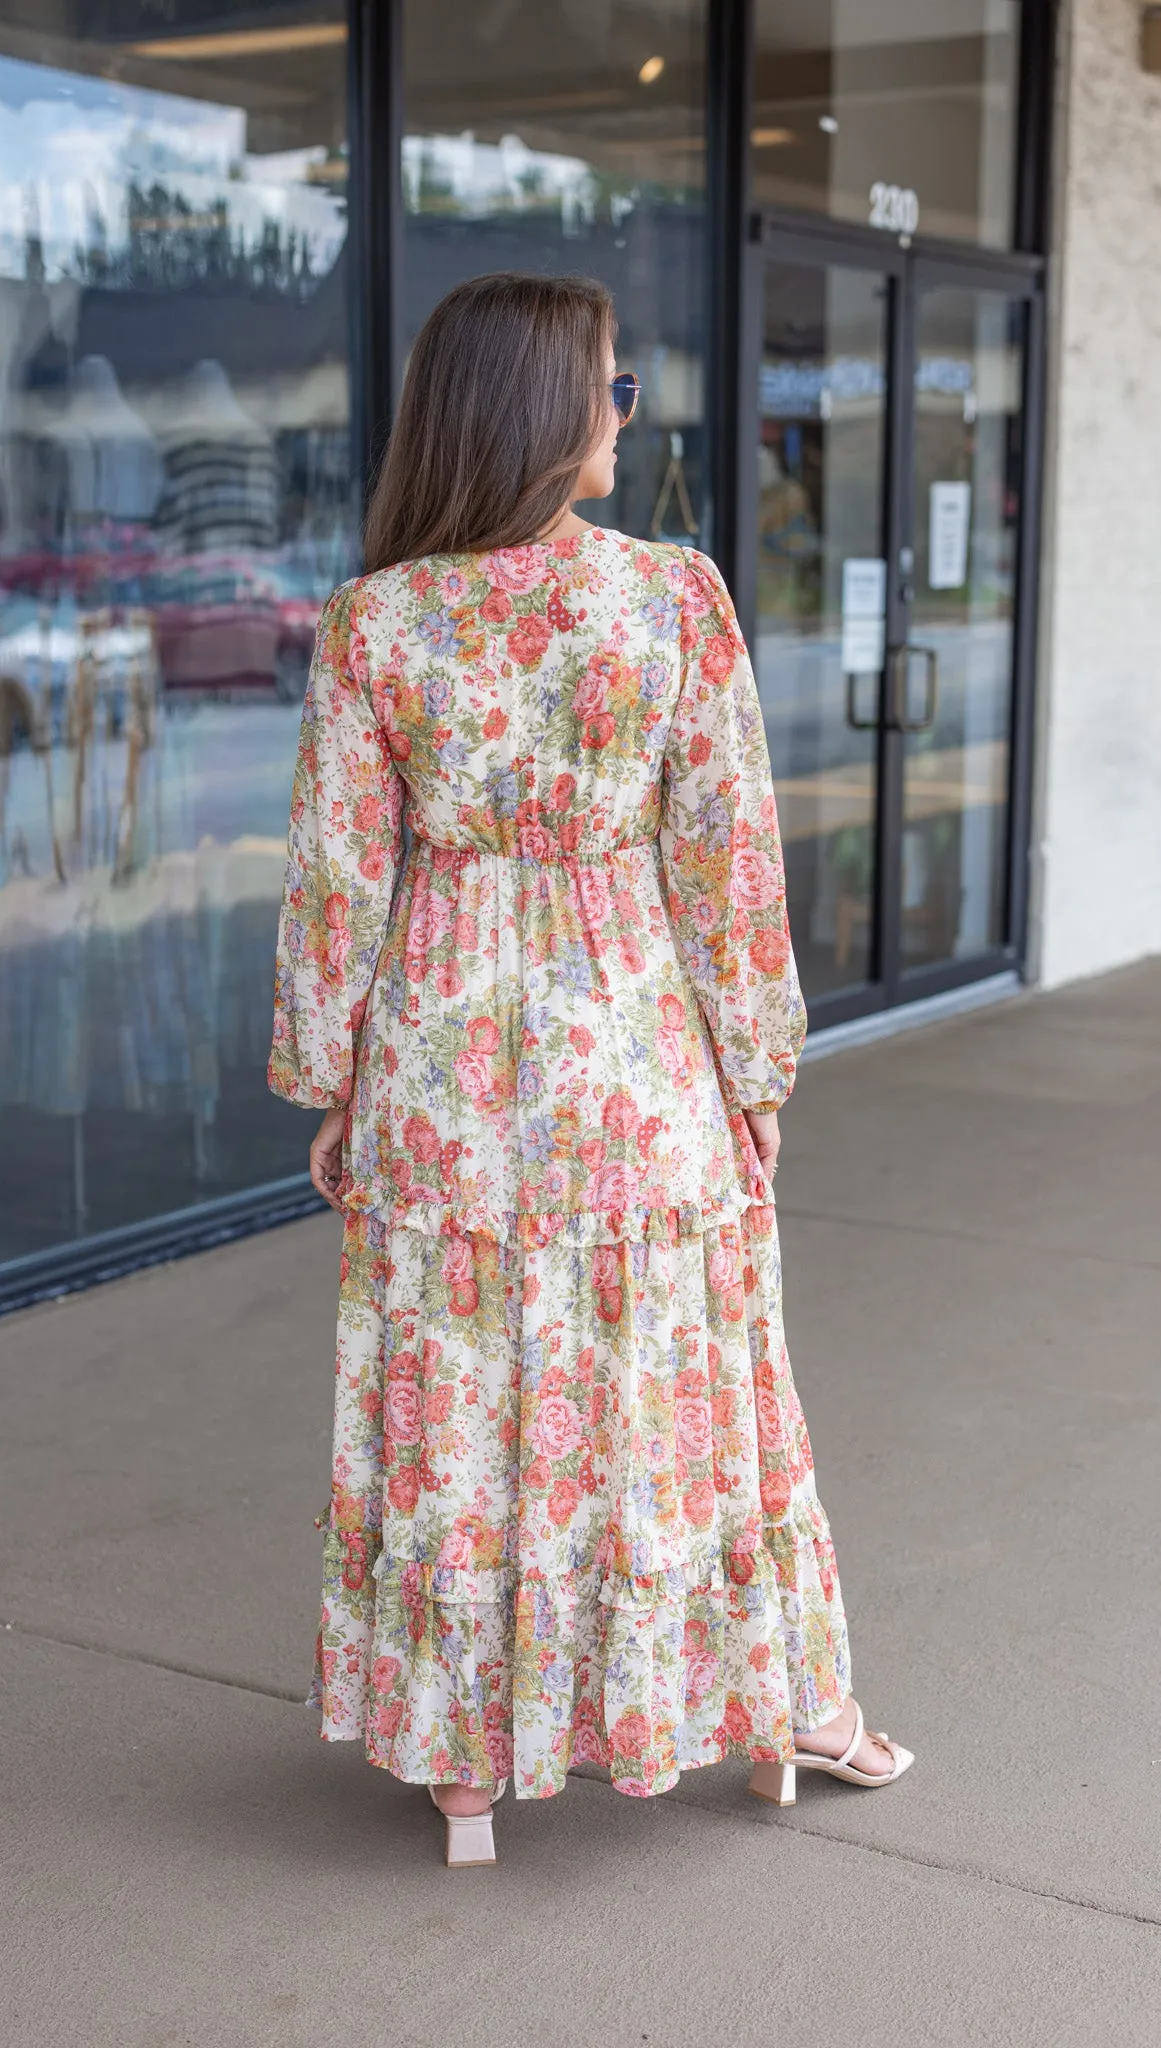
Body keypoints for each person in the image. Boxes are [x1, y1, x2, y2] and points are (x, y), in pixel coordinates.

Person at [268, 271, 912, 1868]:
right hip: (634, 1057)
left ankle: (465, 1755)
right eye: (613, 387)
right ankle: (777, 1706)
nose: (629, 412)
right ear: (549, 408)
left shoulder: (376, 622)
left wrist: (330, 1078)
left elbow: (337, 878)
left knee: (464, 1397)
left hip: (442, 1064)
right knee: (684, 1388)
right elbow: (726, 864)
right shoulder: (669, 600)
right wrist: (758, 1069)